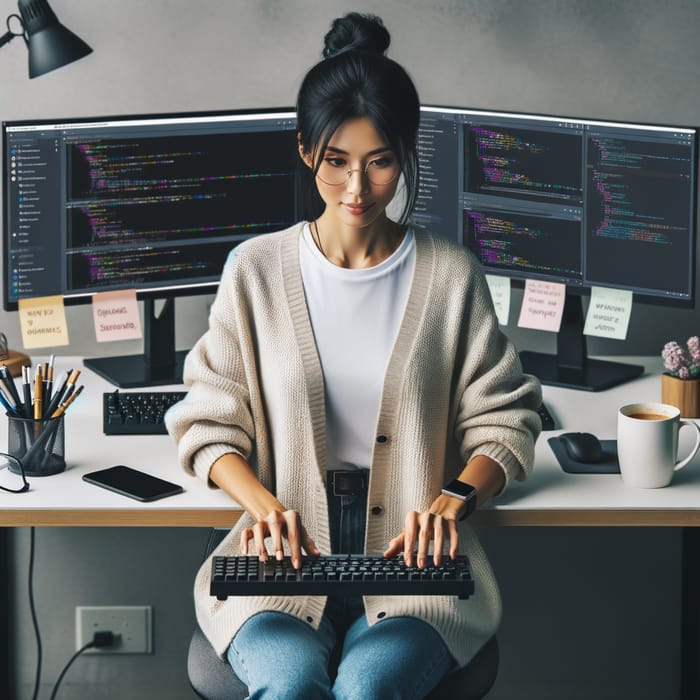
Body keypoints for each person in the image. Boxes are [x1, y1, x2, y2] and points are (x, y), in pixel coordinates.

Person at [166, 11, 541, 699]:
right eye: (336, 162)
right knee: (290, 683)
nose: (357, 190)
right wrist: (264, 505)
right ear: (306, 150)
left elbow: (508, 419)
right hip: (280, 563)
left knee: (366, 690)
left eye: (380, 163)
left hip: (413, 562)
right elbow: (205, 421)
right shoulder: (254, 270)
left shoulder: (451, 275)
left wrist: (454, 498)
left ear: (405, 153)